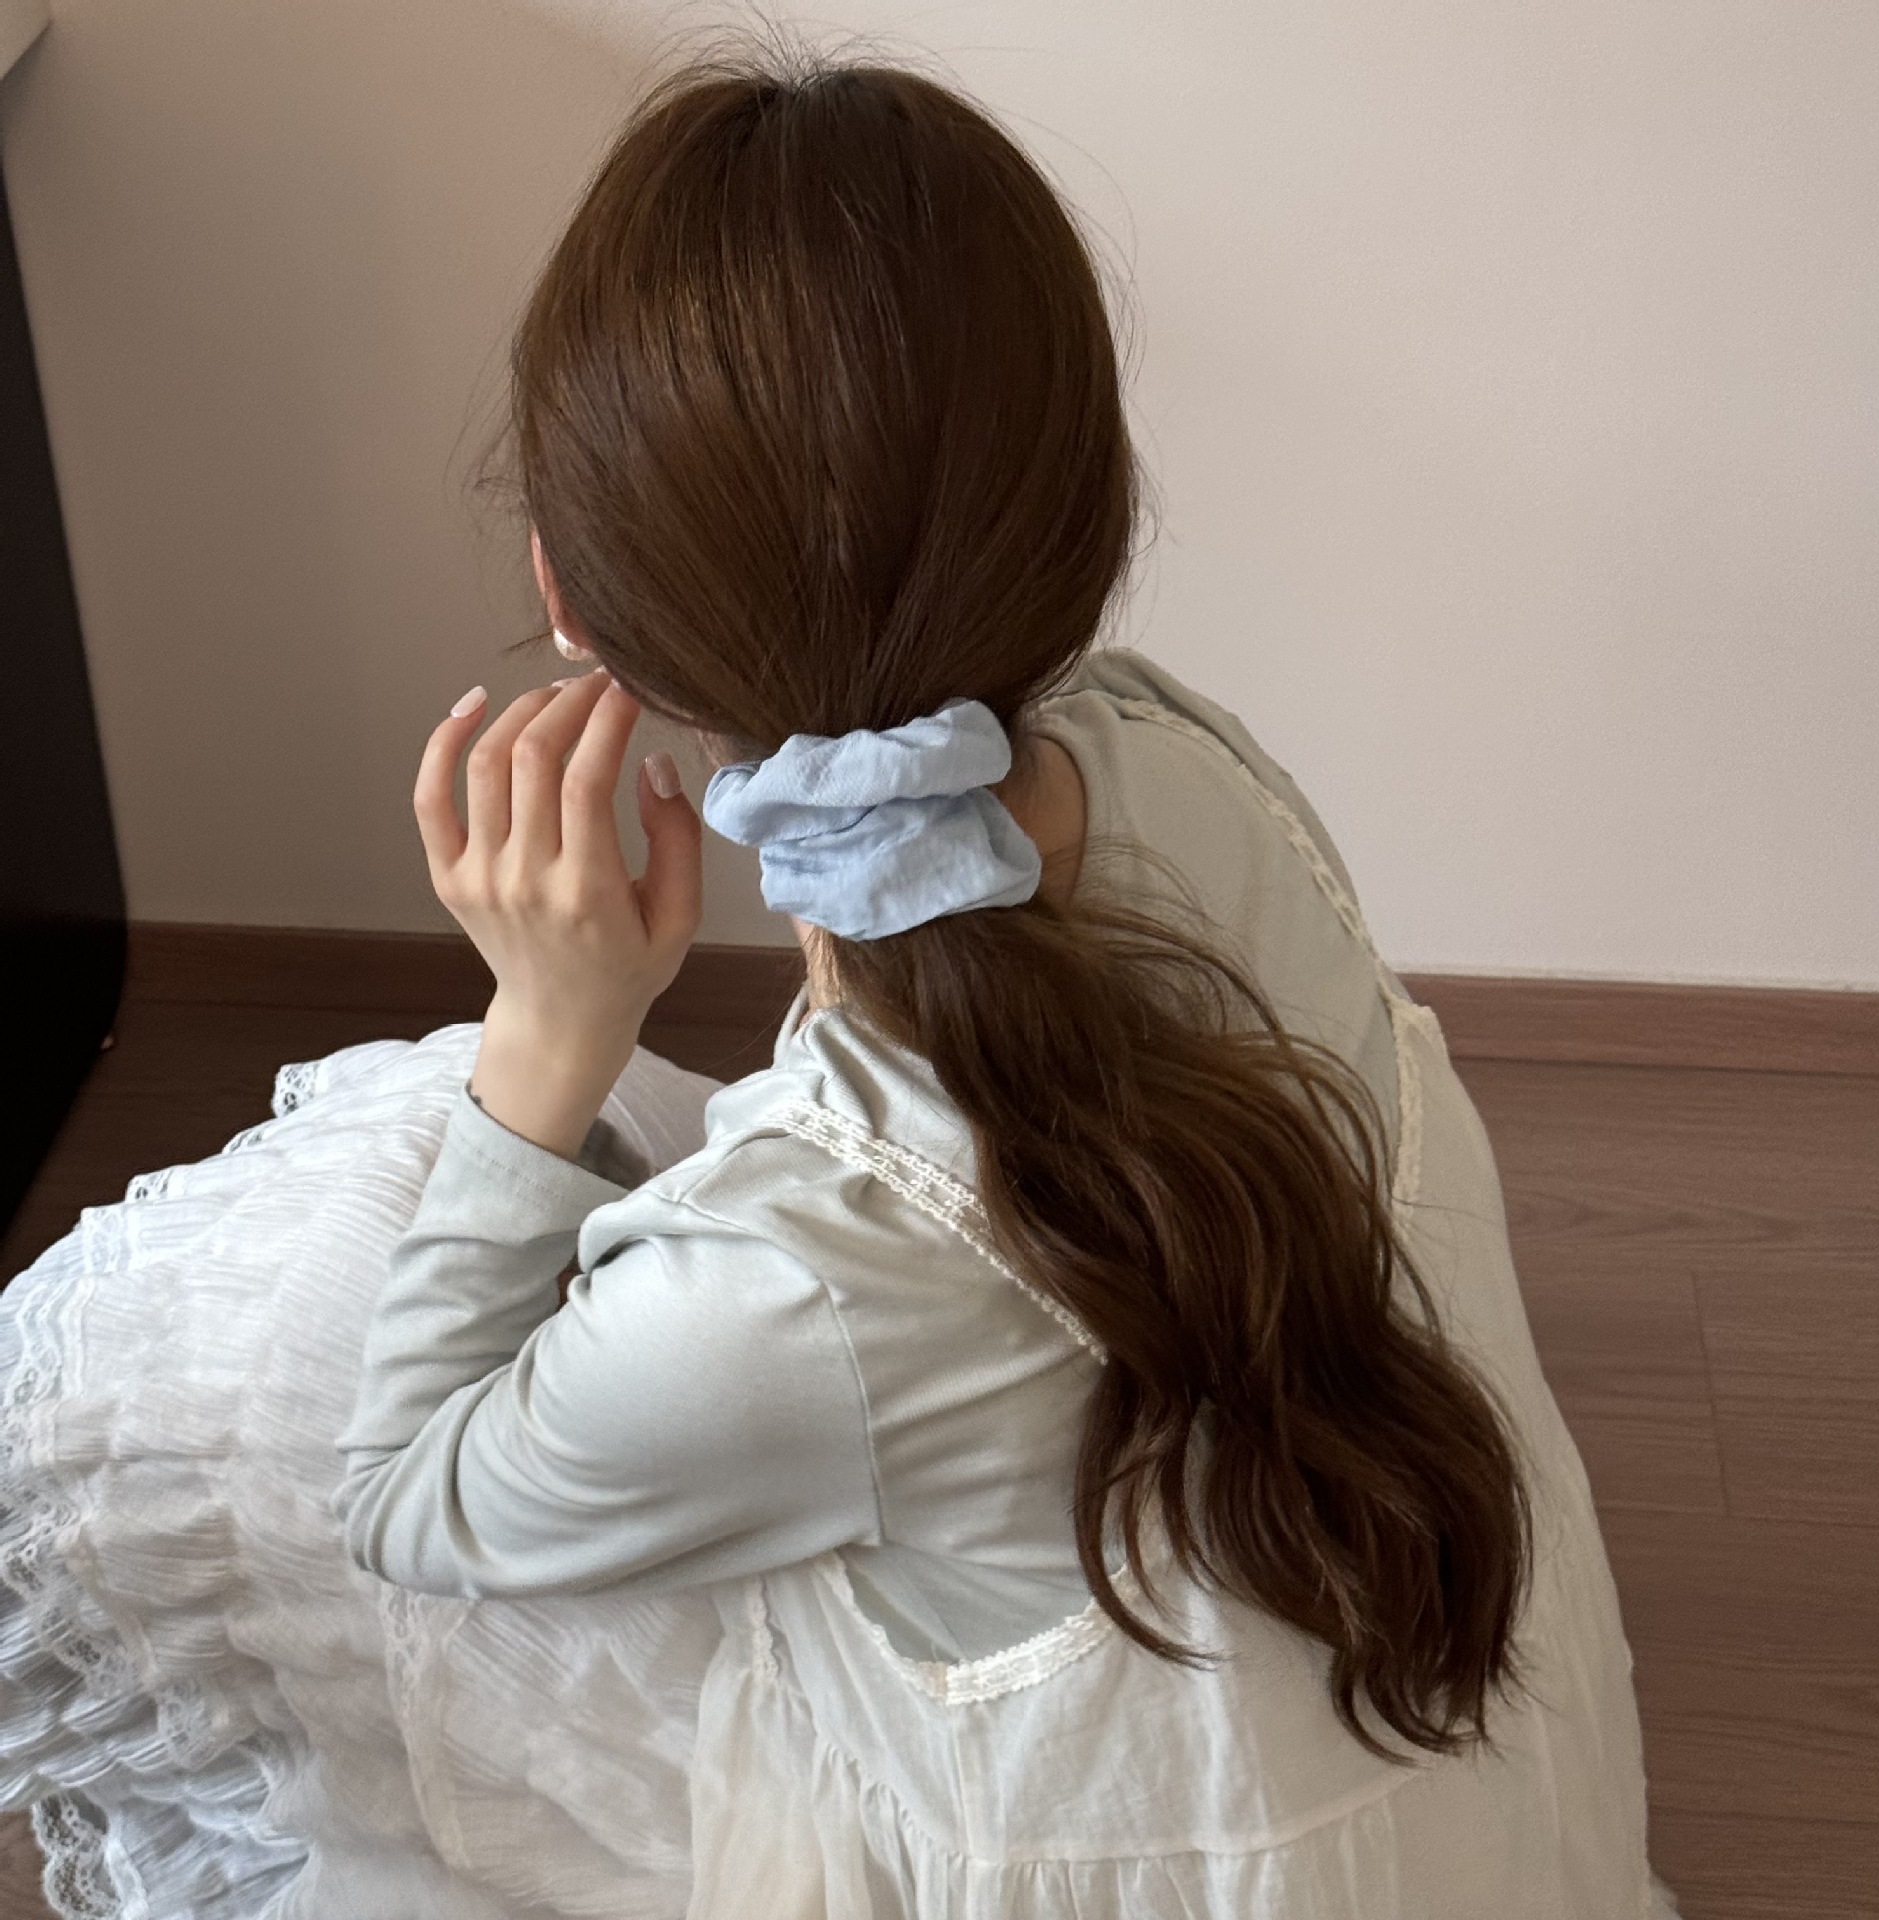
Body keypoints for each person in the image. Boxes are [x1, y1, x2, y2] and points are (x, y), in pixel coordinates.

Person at [0, 40, 1678, 1920]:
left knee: (265, 1292)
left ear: (570, 600)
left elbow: (410, 1499)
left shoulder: (797, 1286)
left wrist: (551, 1027)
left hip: (1168, 1859)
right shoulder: (1188, 762)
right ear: (1090, 513)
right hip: (1478, 1750)